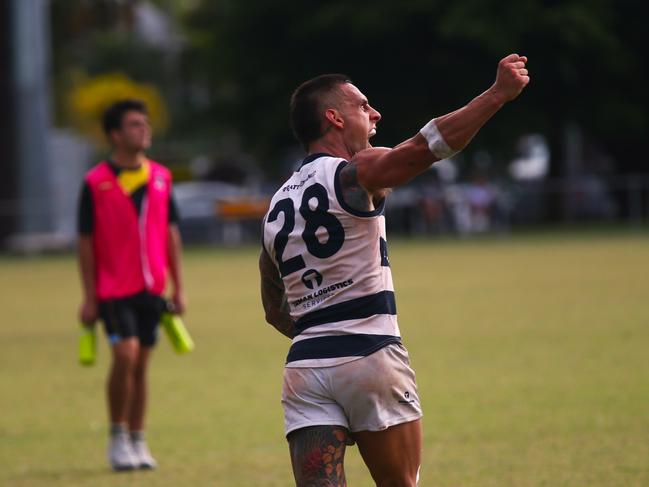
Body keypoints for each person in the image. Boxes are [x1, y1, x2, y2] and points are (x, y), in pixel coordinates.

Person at [259, 54, 529, 486]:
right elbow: (422, 150)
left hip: (305, 368)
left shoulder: (276, 205)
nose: (375, 112)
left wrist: (321, 338)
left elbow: (273, 306)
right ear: (334, 118)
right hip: (370, 356)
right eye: (363, 106)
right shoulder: (353, 172)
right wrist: (496, 95)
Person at [77, 99, 186, 471]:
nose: (145, 130)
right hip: (113, 289)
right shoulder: (96, 182)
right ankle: (117, 437)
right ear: (115, 134)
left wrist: (179, 287)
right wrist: (89, 296)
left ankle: (138, 440)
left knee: (140, 365)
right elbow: (85, 241)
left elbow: (171, 233)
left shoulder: (161, 177)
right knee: (124, 355)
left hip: (152, 288)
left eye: (145, 124)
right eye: (135, 125)